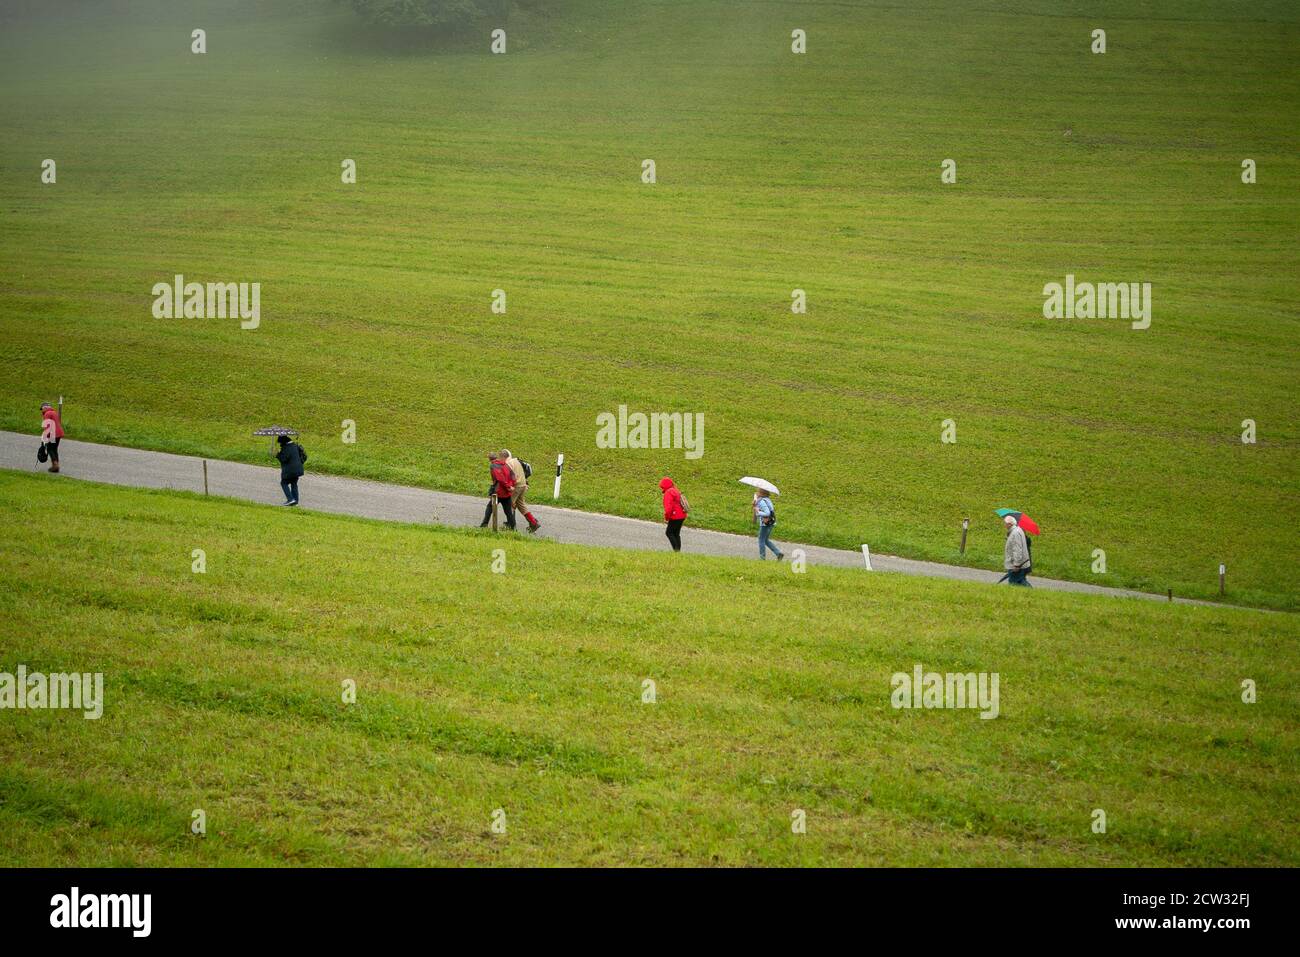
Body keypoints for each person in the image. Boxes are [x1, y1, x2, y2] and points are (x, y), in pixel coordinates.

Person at [501, 448, 540, 533]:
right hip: (523, 485)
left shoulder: (508, 464)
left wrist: (508, 487)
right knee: (521, 505)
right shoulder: (517, 461)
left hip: (516, 486)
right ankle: (533, 523)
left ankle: (510, 525)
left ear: (503, 457)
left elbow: (509, 477)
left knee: (509, 505)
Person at [275, 434, 308, 506]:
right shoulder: (294, 445)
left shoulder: (286, 448)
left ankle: (290, 499)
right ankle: (295, 501)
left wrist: (277, 454)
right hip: (298, 469)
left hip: (290, 470)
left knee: (283, 483)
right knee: (294, 484)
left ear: (283, 441)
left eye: (280, 442)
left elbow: (284, 459)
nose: (280, 444)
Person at [488, 452, 516, 529]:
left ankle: (484, 525)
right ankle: (513, 528)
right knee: (508, 512)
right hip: (507, 493)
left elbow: (500, 479)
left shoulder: (493, 465)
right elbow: (513, 476)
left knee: (490, 507)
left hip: (498, 492)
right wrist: (511, 486)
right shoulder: (505, 465)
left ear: (489, 459)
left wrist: (508, 486)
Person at [753, 488, 783, 560]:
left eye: (758, 492)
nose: (756, 493)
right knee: (765, 539)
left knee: (761, 539)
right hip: (771, 522)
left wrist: (757, 511)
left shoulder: (762, 502)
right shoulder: (767, 500)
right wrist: (755, 505)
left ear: (762, 494)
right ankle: (778, 553)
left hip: (765, 524)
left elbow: (767, 513)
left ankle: (762, 557)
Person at [1003, 514, 1031, 586]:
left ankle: (1031, 592)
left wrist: (1016, 565)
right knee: (1019, 581)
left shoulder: (1015, 533)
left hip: (1017, 565)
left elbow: (1017, 550)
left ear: (1009, 524)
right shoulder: (1017, 530)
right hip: (1021, 564)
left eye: (1005, 524)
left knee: (1014, 582)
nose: (1004, 525)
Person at [659, 477, 686, 551]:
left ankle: (676, 550)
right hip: (682, 515)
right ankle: (678, 551)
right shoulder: (675, 490)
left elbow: (668, 508)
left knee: (669, 532)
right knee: (676, 534)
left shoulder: (668, 492)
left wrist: (666, 517)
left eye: (662, 487)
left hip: (675, 516)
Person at [39, 402, 63, 473]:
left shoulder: (47, 414)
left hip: (52, 433)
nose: (41, 411)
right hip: (59, 433)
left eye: (42, 409)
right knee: (54, 449)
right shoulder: (54, 413)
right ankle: (57, 465)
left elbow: (47, 425)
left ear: (44, 408)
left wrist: (45, 436)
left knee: (50, 449)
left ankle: (55, 465)